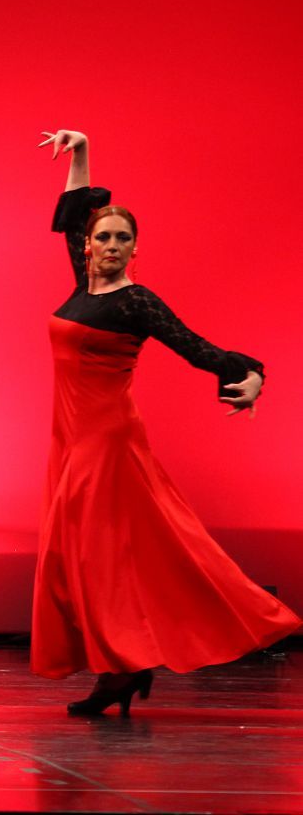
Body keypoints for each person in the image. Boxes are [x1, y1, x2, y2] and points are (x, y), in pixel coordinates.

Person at [33, 130, 298, 714]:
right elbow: (75, 213)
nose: (111, 245)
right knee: (75, 554)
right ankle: (120, 668)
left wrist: (253, 373)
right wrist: (81, 152)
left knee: (97, 557)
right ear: (89, 246)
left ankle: (124, 666)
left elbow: (198, 349)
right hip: (68, 436)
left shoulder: (137, 302)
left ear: (135, 249)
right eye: (104, 236)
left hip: (107, 439)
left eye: (123, 238)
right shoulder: (82, 287)